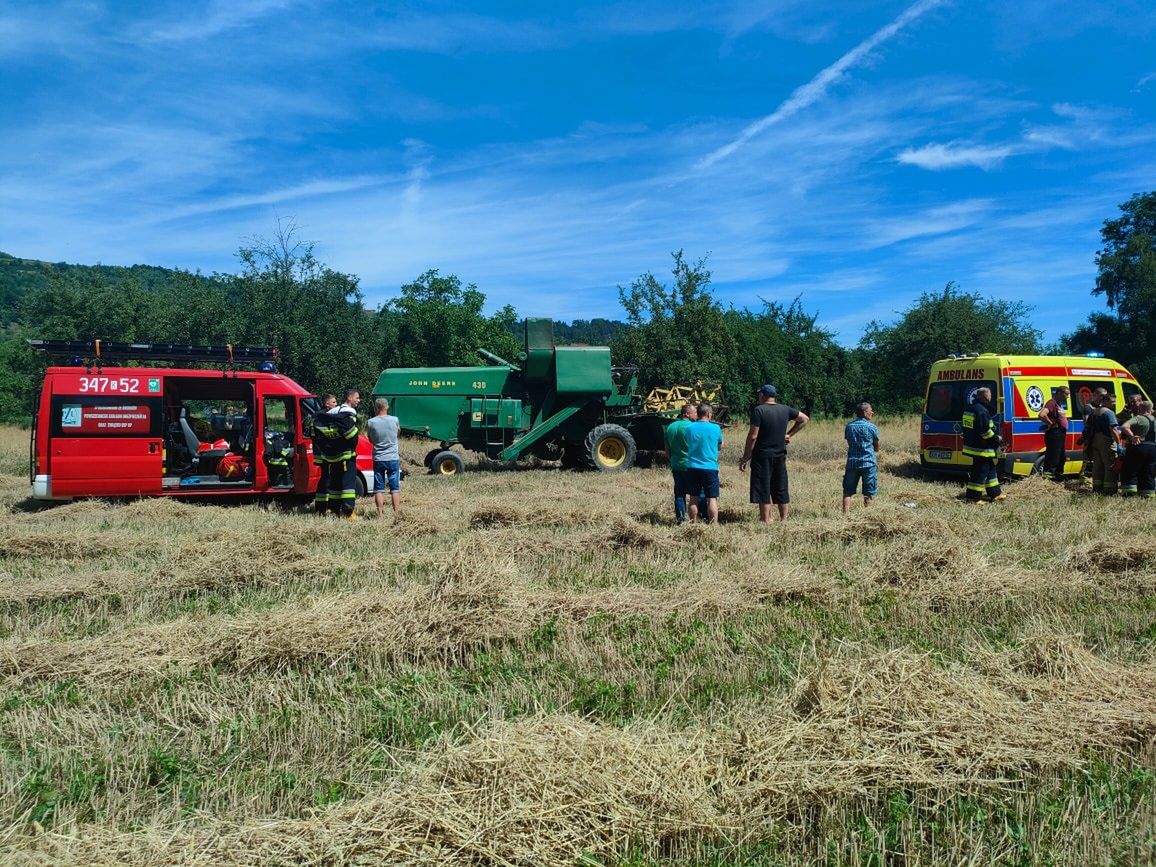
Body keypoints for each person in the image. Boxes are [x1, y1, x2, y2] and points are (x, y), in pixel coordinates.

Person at [738, 384, 809, 522]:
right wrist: (789, 434)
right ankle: (784, 519)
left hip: (762, 455)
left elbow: (753, 436)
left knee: (763, 488)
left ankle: (766, 520)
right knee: (780, 486)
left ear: (763, 395)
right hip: (780, 454)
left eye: (759, 394)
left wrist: (746, 456)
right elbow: (804, 419)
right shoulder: (785, 409)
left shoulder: (759, 410)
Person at [313, 388, 361, 518]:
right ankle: (348, 511)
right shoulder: (348, 414)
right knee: (348, 484)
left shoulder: (330, 414)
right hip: (346, 455)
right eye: (357, 398)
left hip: (331, 457)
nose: (359, 400)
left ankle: (334, 510)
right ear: (349, 398)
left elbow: (319, 438)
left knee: (334, 483)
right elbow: (352, 436)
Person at [962, 386, 1004, 503]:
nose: (991, 397)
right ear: (986, 396)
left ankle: (995, 493)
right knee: (980, 473)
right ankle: (973, 498)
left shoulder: (970, 408)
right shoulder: (981, 411)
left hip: (974, 446)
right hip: (981, 449)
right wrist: (997, 439)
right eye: (990, 395)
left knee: (990, 470)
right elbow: (984, 432)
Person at [683, 403, 722, 524]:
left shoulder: (689, 428)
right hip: (710, 467)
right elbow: (719, 445)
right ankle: (713, 526)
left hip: (693, 467)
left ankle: (692, 524)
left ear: (698, 414)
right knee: (711, 499)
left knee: (693, 499)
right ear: (709, 414)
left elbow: (687, 442)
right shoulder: (716, 428)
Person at [366, 397, 402, 517]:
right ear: (387, 407)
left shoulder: (371, 422)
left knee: (378, 488)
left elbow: (370, 439)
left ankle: (380, 513)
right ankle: (396, 512)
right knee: (395, 487)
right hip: (392, 457)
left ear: (376, 408)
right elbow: (398, 433)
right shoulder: (395, 419)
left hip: (379, 458)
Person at [842, 402, 880, 514]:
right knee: (868, 491)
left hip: (852, 462)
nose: (872, 412)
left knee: (848, 491)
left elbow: (849, 442)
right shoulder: (872, 427)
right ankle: (867, 515)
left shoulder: (849, 426)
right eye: (871, 410)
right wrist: (874, 449)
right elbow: (876, 445)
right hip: (868, 463)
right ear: (865, 412)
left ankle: (846, 515)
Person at [663, 403, 697, 524]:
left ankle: (680, 519)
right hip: (690, 465)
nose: (696, 415)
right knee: (696, 493)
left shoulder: (670, 427)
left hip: (676, 465)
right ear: (687, 414)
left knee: (679, 493)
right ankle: (699, 517)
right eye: (695, 412)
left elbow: (667, 451)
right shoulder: (692, 427)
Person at [1120, 400, 1156, 499]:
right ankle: (1148, 495)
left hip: (1139, 446)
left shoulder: (1138, 418)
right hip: (1153, 449)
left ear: (1139, 408)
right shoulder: (1154, 420)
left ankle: (1129, 494)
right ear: (1151, 409)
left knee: (1130, 470)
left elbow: (1124, 426)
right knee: (1148, 472)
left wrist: (1132, 436)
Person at [1088, 392, 1121, 496]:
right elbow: (1113, 429)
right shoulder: (1109, 413)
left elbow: (1088, 426)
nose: (1114, 404)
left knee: (1097, 466)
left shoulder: (1094, 412)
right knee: (1110, 465)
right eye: (1112, 402)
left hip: (1094, 441)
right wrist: (1118, 443)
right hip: (1106, 441)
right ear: (1105, 401)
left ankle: (1097, 489)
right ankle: (1109, 490)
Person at [1038, 386, 1070, 481]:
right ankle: (1049, 479)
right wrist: (1050, 423)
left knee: (1061, 457)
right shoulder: (1052, 403)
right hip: (1054, 434)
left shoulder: (1058, 404)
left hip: (1060, 434)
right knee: (1053, 457)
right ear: (1059, 393)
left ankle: (1058, 477)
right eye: (1066, 394)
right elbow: (1042, 414)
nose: (1067, 397)